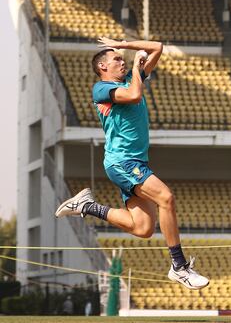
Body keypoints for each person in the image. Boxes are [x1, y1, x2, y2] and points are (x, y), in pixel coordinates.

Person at [55, 37, 209, 290]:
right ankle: (179, 266)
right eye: (116, 59)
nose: (122, 61)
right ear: (103, 67)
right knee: (166, 198)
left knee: (143, 227)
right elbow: (135, 95)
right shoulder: (101, 89)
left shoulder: (130, 78)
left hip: (135, 162)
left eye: (122, 58)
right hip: (122, 162)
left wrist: (123, 44)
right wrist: (137, 66)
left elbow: (157, 47)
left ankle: (89, 206)